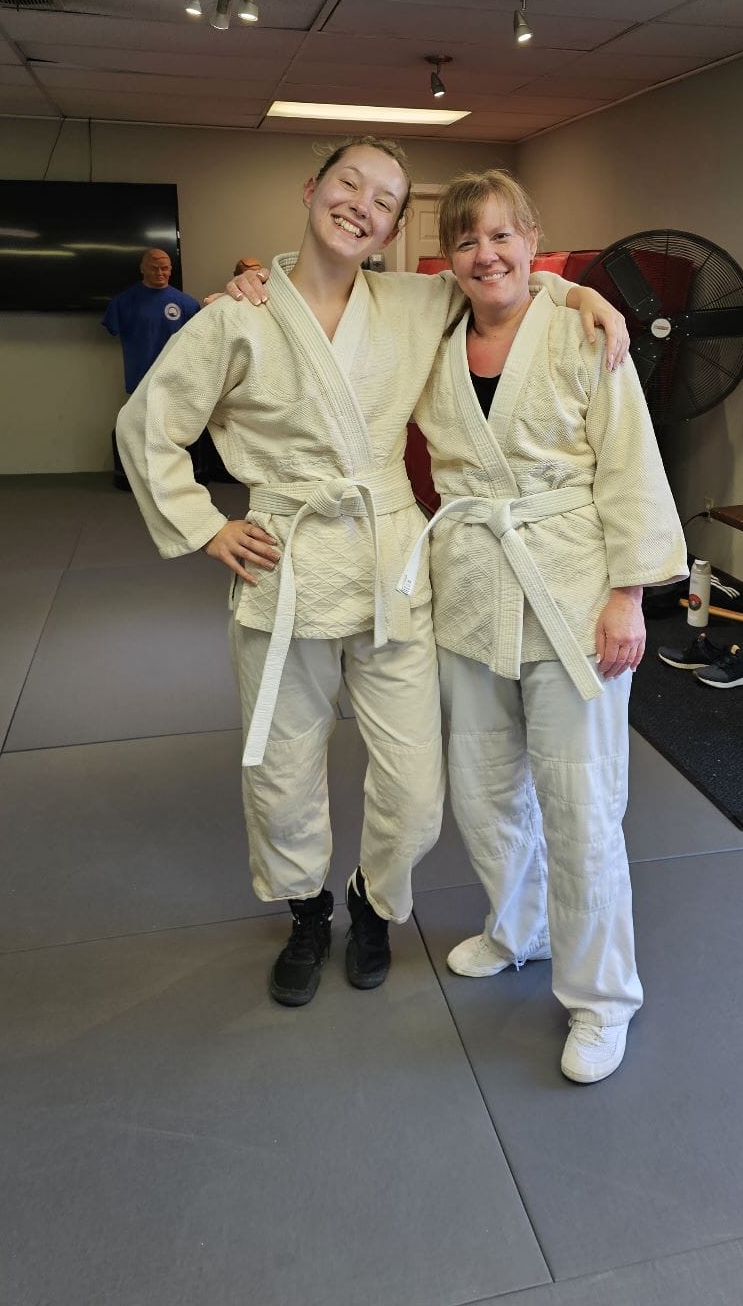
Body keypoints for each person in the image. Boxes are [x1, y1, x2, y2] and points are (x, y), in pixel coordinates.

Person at [116, 138, 629, 1010]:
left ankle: (374, 900)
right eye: (349, 183)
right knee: (282, 769)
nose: (362, 204)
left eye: (386, 200)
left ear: (393, 230)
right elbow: (147, 425)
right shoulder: (237, 317)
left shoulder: (413, 301)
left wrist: (581, 292)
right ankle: (308, 911)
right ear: (311, 189)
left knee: (418, 787)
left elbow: (501, 279)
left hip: (392, 566)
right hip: (286, 565)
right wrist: (205, 526)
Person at [397, 170, 687, 1084]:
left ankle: (602, 999)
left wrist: (629, 595)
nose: (486, 255)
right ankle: (516, 926)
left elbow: (631, 465)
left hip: (571, 594)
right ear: (448, 258)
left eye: (502, 236)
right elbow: (345, 299)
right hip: (470, 591)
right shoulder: (433, 333)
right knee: (485, 790)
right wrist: (251, 282)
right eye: (466, 240)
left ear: (532, 240)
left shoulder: (584, 332)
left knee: (580, 802)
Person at [103, 248, 200, 488]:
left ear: (171, 270)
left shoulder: (187, 304)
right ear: (142, 268)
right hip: (141, 378)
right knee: (140, 429)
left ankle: (175, 480)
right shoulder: (123, 303)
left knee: (175, 431)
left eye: (165, 268)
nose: (160, 273)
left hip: (177, 379)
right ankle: (141, 478)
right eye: (154, 267)